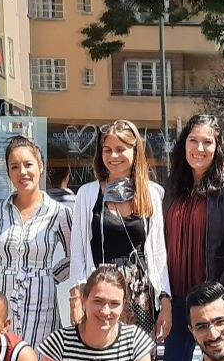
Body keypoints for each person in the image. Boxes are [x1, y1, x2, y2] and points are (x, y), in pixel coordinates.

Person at [161, 114, 224, 361]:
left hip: (214, 296)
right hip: (176, 297)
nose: (199, 149)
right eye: (193, 141)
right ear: (183, 144)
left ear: (217, 146)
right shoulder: (171, 185)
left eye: (207, 142)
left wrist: (221, 290)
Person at [68, 119, 173, 343]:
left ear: (136, 152)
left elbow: (158, 253)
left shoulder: (152, 193)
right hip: (99, 293)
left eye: (120, 149)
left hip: (140, 294)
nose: (113, 156)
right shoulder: (87, 194)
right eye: (107, 150)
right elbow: (77, 252)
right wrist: (76, 298)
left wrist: (165, 299)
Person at [0, 136, 72, 353]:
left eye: (28, 164)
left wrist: (51, 275)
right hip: (1, 303)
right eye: (14, 166)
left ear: (40, 166)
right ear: (8, 172)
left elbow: (75, 256)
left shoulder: (59, 213)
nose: (22, 172)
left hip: (42, 305)